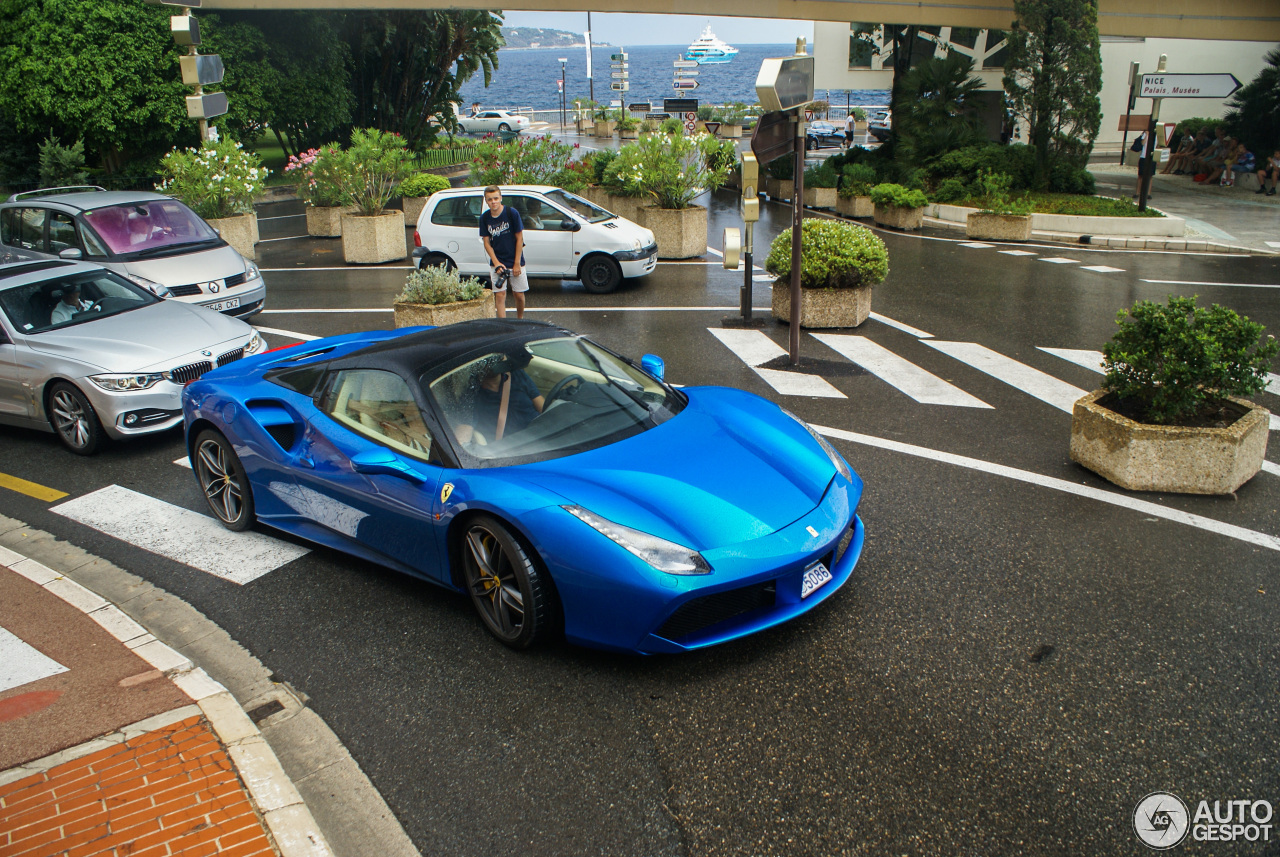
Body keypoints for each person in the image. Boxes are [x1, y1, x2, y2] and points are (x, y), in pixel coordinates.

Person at [454, 356, 544, 445]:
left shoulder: (517, 374)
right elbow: (463, 435)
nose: (497, 361)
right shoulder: (471, 395)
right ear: (477, 364)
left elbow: (542, 408)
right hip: (513, 449)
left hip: (544, 436)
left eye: (498, 357)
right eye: (490, 359)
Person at [478, 185, 529, 319]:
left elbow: (519, 239)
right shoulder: (484, 218)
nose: (493, 202)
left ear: (500, 198)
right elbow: (486, 243)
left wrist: (517, 263)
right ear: (486, 201)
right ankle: (503, 324)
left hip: (515, 259)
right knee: (500, 294)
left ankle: (520, 319)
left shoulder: (511, 213)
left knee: (519, 294)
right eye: (490, 199)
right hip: (497, 261)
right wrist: (496, 263)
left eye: (495, 198)